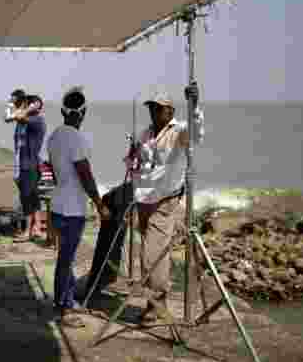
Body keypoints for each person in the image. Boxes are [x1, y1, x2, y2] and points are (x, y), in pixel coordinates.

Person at [124, 84, 203, 325]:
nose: (154, 113)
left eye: (158, 109)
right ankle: (155, 304)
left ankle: (158, 304)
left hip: (165, 200)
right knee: (151, 253)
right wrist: (133, 156)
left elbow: (196, 133)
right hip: (144, 199)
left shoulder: (179, 131)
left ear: (170, 111)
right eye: (152, 108)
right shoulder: (145, 133)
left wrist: (195, 106)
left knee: (152, 256)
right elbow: (133, 162)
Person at [46, 87, 110, 328]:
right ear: (83, 112)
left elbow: (54, 172)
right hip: (73, 209)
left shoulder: (53, 137)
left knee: (65, 258)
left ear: (63, 110)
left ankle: (68, 300)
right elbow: (85, 173)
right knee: (66, 260)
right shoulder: (77, 138)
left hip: (57, 204)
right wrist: (100, 204)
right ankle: (63, 308)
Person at [11, 93, 47, 241]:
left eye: (29, 104)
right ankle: (36, 227)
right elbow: (14, 117)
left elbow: (19, 116)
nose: (25, 106)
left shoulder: (37, 120)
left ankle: (27, 231)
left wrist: (30, 108)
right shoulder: (24, 123)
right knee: (32, 197)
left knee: (27, 198)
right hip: (22, 164)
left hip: (30, 164)